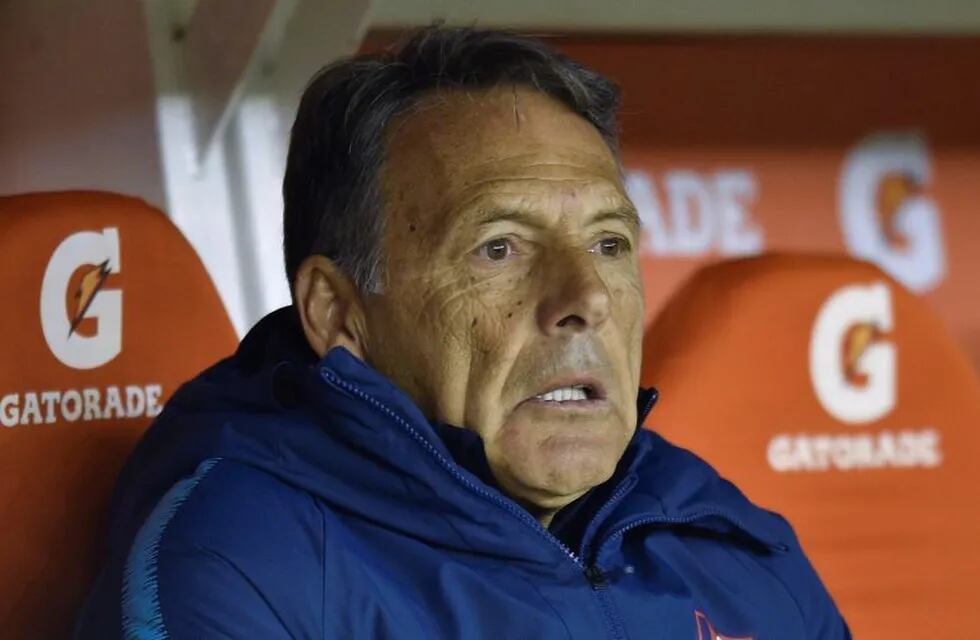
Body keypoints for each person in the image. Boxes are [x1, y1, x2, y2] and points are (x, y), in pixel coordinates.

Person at [75, 26, 850, 639]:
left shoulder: (729, 538)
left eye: (609, 244)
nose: (586, 298)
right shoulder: (241, 566)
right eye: (500, 248)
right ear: (338, 314)